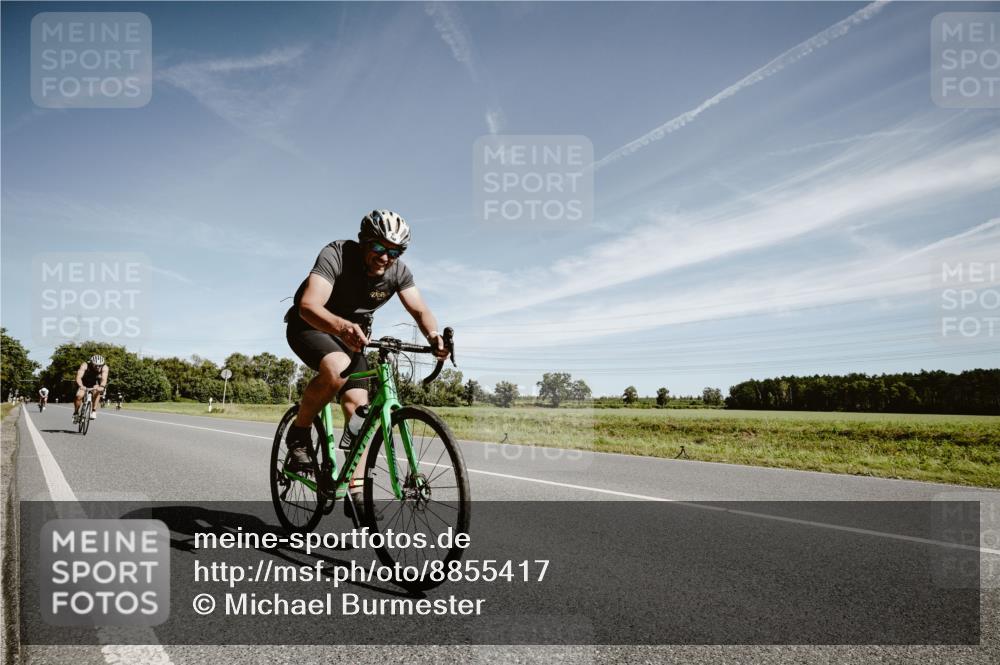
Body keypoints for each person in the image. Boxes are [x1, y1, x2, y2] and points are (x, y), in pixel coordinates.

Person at [284, 210, 449, 514]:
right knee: (335, 370)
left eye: (395, 251)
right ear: (364, 241)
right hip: (311, 325)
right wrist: (342, 327)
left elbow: (420, 310)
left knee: (358, 409)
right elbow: (308, 306)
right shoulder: (337, 254)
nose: (386, 257)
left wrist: (434, 336)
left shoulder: (398, 272)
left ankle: (356, 489)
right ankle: (299, 433)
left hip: (353, 336)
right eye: (380, 248)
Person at [74, 355, 109, 421]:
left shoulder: (105, 367)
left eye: (100, 365)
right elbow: (78, 377)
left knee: (97, 391)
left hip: (95, 383)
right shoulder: (85, 365)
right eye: (95, 365)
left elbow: (104, 379)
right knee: (79, 395)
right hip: (84, 382)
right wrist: (81, 386)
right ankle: (76, 412)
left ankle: (93, 411)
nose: (98, 367)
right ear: (91, 363)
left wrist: (102, 386)